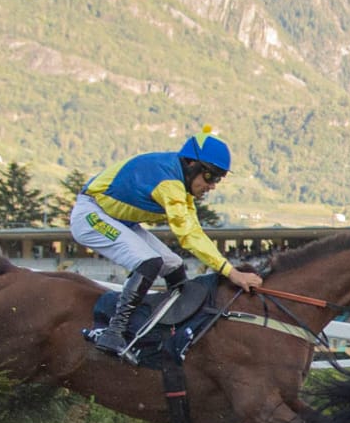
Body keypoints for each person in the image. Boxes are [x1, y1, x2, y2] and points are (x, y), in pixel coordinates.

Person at [69, 126, 262, 360]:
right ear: (191, 164)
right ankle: (114, 333)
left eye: (218, 179)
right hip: (91, 215)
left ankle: (168, 329)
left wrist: (227, 268)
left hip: (121, 221)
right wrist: (231, 272)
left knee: (173, 265)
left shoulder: (181, 184)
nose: (212, 185)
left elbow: (195, 232)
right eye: (210, 176)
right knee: (150, 262)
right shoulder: (169, 183)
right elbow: (188, 235)